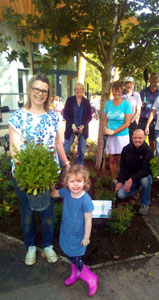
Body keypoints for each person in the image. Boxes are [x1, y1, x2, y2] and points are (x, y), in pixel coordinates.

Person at [9, 74, 70, 266]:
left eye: (44, 90)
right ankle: (30, 247)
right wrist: (30, 179)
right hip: (24, 176)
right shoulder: (18, 116)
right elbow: (14, 149)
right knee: (27, 212)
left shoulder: (53, 116)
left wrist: (66, 163)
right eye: (36, 89)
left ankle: (47, 245)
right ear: (30, 90)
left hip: (48, 175)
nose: (40, 93)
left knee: (47, 212)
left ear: (49, 93)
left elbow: (58, 141)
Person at [50, 165, 98, 297]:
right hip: (67, 231)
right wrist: (50, 186)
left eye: (79, 181)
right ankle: (75, 273)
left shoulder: (85, 200)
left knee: (74, 256)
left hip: (79, 235)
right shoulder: (66, 192)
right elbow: (54, 194)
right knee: (69, 253)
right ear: (67, 182)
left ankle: (90, 277)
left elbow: (88, 220)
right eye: (72, 181)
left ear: (85, 182)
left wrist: (86, 237)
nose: (75, 185)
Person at [115, 129, 154, 215]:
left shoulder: (148, 151)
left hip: (143, 176)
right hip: (130, 178)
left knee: (145, 180)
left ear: (144, 138)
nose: (137, 140)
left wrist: (131, 179)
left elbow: (146, 170)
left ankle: (145, 203)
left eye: (140, 138)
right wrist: (120, 181)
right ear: (132, 138)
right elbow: (122, 167)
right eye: (135, 138)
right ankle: (136, 190)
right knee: (120, 195)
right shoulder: (126, 149)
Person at [103, 81, 131, 183]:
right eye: (115, 91)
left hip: (122, 135)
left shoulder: (126, 105)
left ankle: (122, 179)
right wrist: (105, 129)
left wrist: (113, 131)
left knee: (121, 159)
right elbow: (105, 119)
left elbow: (127, 123)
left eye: (119, 91)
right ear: (112, 91)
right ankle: (114, 179)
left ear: (121, 91)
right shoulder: (108, 104)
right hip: (110, 135)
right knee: (111, 158)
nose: (117, 93)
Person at [63, 82, 92, 165]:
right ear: (74, 90)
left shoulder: (86, 102)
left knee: (82, 151)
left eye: (80, 89)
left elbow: (89, 116)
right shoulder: (70, 100)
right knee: (65, 149)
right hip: (71, 128)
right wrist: (73, 125)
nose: (79, 90)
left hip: (83, 129)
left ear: (83, 90)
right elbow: (65, 114)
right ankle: (62, 167)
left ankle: (79, 166)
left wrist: (82, 126)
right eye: (77, 89)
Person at [139, 73, 159, 152]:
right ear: (149, 80)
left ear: (158, 80)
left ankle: (151, 157)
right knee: (140, 139)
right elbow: (138, 105)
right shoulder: (143, 92)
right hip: (143, 119)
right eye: (152, 78)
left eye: (155, 78)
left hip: (155, 120)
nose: (153, 80)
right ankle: (140, 156)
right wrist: (141, 105)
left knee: (152, 141)